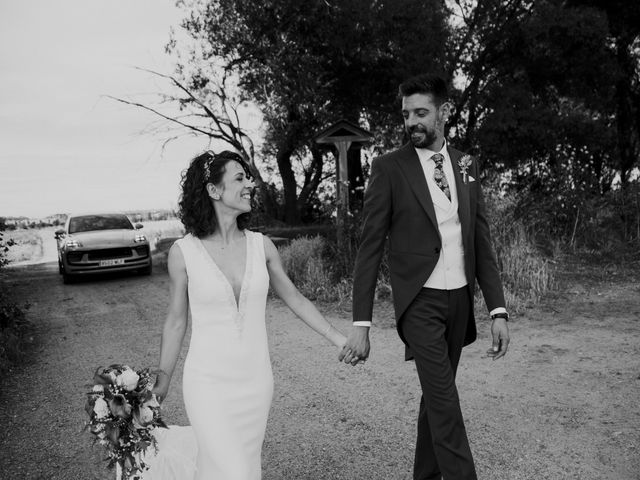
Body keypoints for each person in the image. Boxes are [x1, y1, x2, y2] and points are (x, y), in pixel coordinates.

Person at [339, 74, 511, 480]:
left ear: (444, 112)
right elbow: (370, 247)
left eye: (421, 113)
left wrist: (497, 309)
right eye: (405, 115)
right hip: (419, 303)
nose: (411, 122)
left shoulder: (467, 164)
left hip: (459, 301)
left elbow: (480, 240)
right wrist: (361, 323)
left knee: (435, 399)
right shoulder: (389, 168)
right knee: (446, 403)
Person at [149, 150, 346, 480]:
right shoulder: (184, 253)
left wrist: (338, 339)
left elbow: (295, 299)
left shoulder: (262, 246)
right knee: (236, 472)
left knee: (233, 469)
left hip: (256, 385)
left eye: (248, 178)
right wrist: (163, 380)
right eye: (240, 178)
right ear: (214, 191)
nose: (250, 184)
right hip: (207, 384)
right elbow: (176, 320)